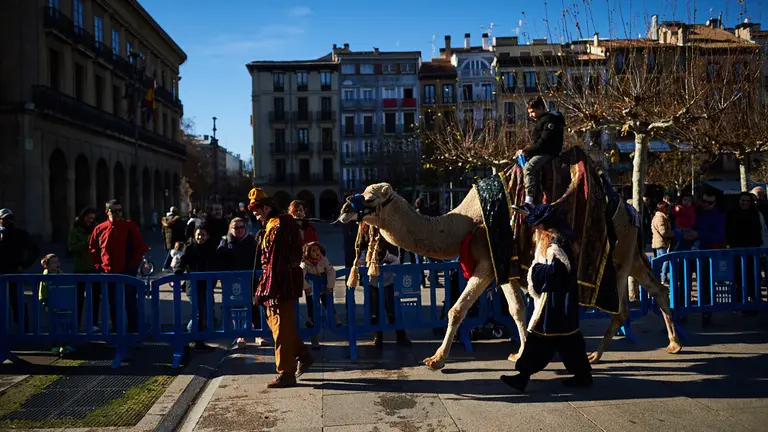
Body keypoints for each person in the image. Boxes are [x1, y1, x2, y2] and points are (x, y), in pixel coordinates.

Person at [500, 204, 592, 392]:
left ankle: (522, 377)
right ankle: (583, 376)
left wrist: (535, 271)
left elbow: (558, 271)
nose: (534, 229)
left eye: (537, 225)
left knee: (540, 338)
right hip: (560, 301)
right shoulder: (553, 237)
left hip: (555, 302)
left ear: (545, 225)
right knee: (569, 341)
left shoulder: (556, 242)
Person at [249, 187, 313, 388]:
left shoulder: (278, 226)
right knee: (278, 325)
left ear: (266, 208)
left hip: (280, 284)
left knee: (281, 328)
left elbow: (275, 262)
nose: (255, 214)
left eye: (257, 210)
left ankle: (286, 373)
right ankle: (302, 354)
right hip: (280, 281)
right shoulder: (273, 225)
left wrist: (264, 289)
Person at [88, 200, 149, 334]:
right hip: (108, 272)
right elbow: (93, 248)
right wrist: (99, 265)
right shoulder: (100, 228)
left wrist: (132, 267)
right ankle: (117, 330)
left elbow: (139, 247)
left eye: (120, 211)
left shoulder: (129, 226)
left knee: (130, 303)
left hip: (127, 271)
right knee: (113, 304)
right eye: (114, 211)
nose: (117, 214)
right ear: (107, 212)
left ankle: (134, 331)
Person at [217, 217, 262, 349]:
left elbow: (259, 258)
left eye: (242, 227)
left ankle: (258, 334)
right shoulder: (225, 242)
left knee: (254, 305)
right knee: (237, 308)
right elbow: (219, 260)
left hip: (251, 279)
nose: (239, 230)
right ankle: (240, 335)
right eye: (236, 228)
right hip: (233, 281)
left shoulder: (252, 241)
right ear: (230, 229)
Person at [515, 96, 565, 209]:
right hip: (542, 150)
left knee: (529, 168)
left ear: (541, 108)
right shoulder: (543, 121)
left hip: (548, 152)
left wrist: (526, 152)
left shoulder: (550, 121)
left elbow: (543, 143)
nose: (530, 115)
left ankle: (529, 202)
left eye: (532, 112)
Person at [173, 224, 218, 352]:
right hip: (193, 285)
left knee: (207, 312)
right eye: (198, 234)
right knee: (199, 312)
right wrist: (179, 270)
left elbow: (216, 262)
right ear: (194, 235)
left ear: (208, 236)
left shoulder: (211, 248)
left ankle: (199, 341)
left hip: (208, 285)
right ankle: (187, 336)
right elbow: (183, 261)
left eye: (203, 234)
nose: (200, 237)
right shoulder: (190, 248)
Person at [361, 238, 411, 348]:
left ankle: (401, 335)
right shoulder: (366, 254)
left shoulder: (386, 254)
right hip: (373, 285)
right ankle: (377, 336)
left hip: (388, 284)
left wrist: (387, 267)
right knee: (375, 311)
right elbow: (360, 264)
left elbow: (396, 261)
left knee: (393, 310)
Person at [0, 208, 41, 331]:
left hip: (14, 272)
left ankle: (24, 330)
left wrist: (23, 265)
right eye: (5, 219)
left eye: (10, 218)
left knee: (17, 301)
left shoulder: (19, 234)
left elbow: (34, 250)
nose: (8, 221)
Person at [726, 192, 762, 308]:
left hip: (752, 250)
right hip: (736, 249)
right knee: (738, 277)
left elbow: (758, 231)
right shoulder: (732, 214)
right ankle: (739, 302)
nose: (745, 203)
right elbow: (729, 231)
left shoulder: (755, 214)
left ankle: (755, 301)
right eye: (743, 200)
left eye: (747, 201)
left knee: (753, 276)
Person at [301, 241, 340, 349]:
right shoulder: (305, 264)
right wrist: (306, 287)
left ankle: (336, 318)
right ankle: (314, 338)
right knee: (312, 311)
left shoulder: (323, 260)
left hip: (323, 289)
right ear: (308, 253)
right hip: (311, 292)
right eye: (313, 251)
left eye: (317, 249)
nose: (317, 252)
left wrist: (330, 285)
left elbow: (331, 271)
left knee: (328, 303)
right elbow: (300, 275)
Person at [68, 207, 100, 331]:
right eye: (88, 218)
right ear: (83, 217)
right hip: (80, 268)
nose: (90, 221)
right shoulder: (75, 231)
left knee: (95, 298)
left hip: (94, 267)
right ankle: (76, 323)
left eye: (92, 218)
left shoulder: (96, 229)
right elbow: (71, 248)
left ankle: (93, 323)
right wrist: (87, 242)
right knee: (78, 299)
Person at [38, 253, 74, 355]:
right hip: (51, 303)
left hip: (61, 302)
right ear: (47, 265)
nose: (57, 264)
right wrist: (44, 300)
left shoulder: (61, 274)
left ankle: (65, 344)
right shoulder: (45, 276)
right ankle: (55, 345)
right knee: (53, 325)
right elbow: (42, 290)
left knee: (64, 324)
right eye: (53, 262)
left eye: (58, 261)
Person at [651, 201, 674, 285]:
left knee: (660, 261)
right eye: (667, 208)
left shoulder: (657, 216)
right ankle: (663, 278)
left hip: (659, 242)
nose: (668, 209)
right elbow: (663, 231)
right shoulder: (660, 218)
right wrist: (672, 233)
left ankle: (658, 277)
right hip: (661, 242)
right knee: (665, 260)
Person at [161, 206, 186, 271]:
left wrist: (165, 241)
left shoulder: (165, 220)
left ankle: (170, 266)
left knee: (172, 252)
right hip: (176, 239)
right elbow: (181, 230)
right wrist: (184, 239)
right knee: (173, 253)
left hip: (169, 240)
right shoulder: (177, 220)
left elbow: (163, 232)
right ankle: (166, 266)